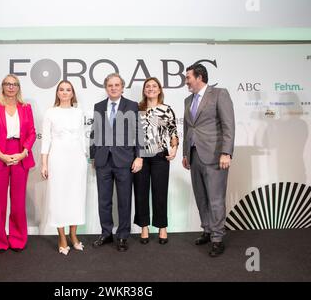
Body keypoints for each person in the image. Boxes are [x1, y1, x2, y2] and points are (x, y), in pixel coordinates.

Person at [182, 63, 235, 257]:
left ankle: (218, 238)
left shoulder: (220, 94)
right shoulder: (188, 100)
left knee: (215, 199)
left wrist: (226, 152)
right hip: (195, 156)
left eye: (188, 77)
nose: (186, 81)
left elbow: (229, 126)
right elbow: (188, 129)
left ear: (199, 77)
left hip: (215, 155)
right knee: (201, 197)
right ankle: (207, 229)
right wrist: (185, 154)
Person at [90, 73, 143, 252]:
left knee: (124, 200)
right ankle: (106, 233)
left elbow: (139, 133)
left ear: (122, 87)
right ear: (106, 88)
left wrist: (139, 156)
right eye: (110, 85)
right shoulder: (98, 106)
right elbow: (94, 133)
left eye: (117, 85)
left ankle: (122, 236)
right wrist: (93, 156)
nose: (113, 88)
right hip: (103, 160)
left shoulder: (132, 106)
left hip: (125, 160)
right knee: (104, 200)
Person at [0, 74, 36, 252]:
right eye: (7, 84)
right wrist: (0, 154)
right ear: (3, 86)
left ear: (18, 87)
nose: (11, 87)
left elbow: (32, 133)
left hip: (21, 155)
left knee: (18, 202)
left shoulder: (26, 107)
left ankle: (18, 238)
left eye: (14, 84)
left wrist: (23, 152)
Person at [41, 80, 87, 255]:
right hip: (57, 159)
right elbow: (46, 140)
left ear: (72, 93)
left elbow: (82, 138)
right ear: (57, 93)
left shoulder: (78, 112)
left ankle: (73, 235)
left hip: (77, 160)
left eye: (68, 90)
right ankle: (61, 237)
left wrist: (85, 157)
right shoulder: (50, 112)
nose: (65, 92)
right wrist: (44, 164)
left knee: (76, 196)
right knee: (58, 197)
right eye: (62, 89)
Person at [134, 77, 178, 245]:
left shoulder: (166, 110)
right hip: (140, 156)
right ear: (144, 91)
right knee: (141, 192)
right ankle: (144, 227)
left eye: (154, 86)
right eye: (148, 86)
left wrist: (174, 148)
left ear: (159, 90)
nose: (151, 88)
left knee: (160, 192)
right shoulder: (137, 110)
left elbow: (173, 131)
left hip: (160, 155)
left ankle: (162, 227)